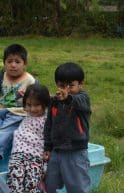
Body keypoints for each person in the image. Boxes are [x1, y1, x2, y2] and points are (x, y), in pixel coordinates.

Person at [0, 44, 36, 159]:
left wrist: (30, 102)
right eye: (9, 61)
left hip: (18, 114)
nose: (13, 65)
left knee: (4, 133)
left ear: (25, 64)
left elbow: (40, 99)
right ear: (4, 63)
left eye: (17, 62)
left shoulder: (30, 81)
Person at [43, 62, 91, 193]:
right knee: (49, 185)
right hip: (56, 151)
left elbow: (76, 101)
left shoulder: (83, 98)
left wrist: (68, 97)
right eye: (62, 86)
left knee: (77, 187)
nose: (66, 89)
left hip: (75, 151)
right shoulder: (54, 102)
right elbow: (49, 124)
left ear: (80, 84)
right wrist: (47, 146)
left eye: (71, 86)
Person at [6, 83, 51, 193]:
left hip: (36, 156)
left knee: (31, 184)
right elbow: (13, 100)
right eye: (29, 104)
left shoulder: (48, 119)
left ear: (45, 104)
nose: (32, 109)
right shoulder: (27, 114)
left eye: (37, 105)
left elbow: (51, 139)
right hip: (18, 154)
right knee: (15, 181)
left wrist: (46, 162)